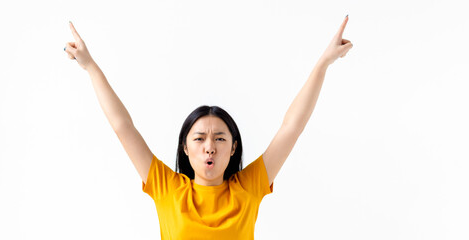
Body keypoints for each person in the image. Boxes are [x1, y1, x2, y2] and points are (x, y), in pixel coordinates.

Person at [64, 15, 352, 239]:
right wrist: (90, 66)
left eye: (220, 138)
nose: (209, 146)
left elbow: (292, 126)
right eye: (199, 138)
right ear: (185, 148)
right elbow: (122, 126)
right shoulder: (168, 190)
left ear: (233, 147)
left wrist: (323, 64)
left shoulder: (247, 189)